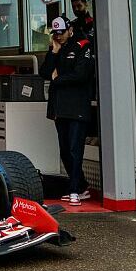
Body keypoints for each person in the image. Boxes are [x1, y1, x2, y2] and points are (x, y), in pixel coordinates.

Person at [39, 17, 94, 206]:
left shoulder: (83, 45)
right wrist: (54, 52)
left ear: (69, 29)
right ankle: (81, 186)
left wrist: (57, 79)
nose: (58, 36)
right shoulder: (56, 48)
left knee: (74, 148)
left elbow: (80, 75)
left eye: (61, 32)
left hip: (77, 107)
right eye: (55, 33)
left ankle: (74, 190)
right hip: (59, 107)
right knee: (64, 150)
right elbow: (44, 72)